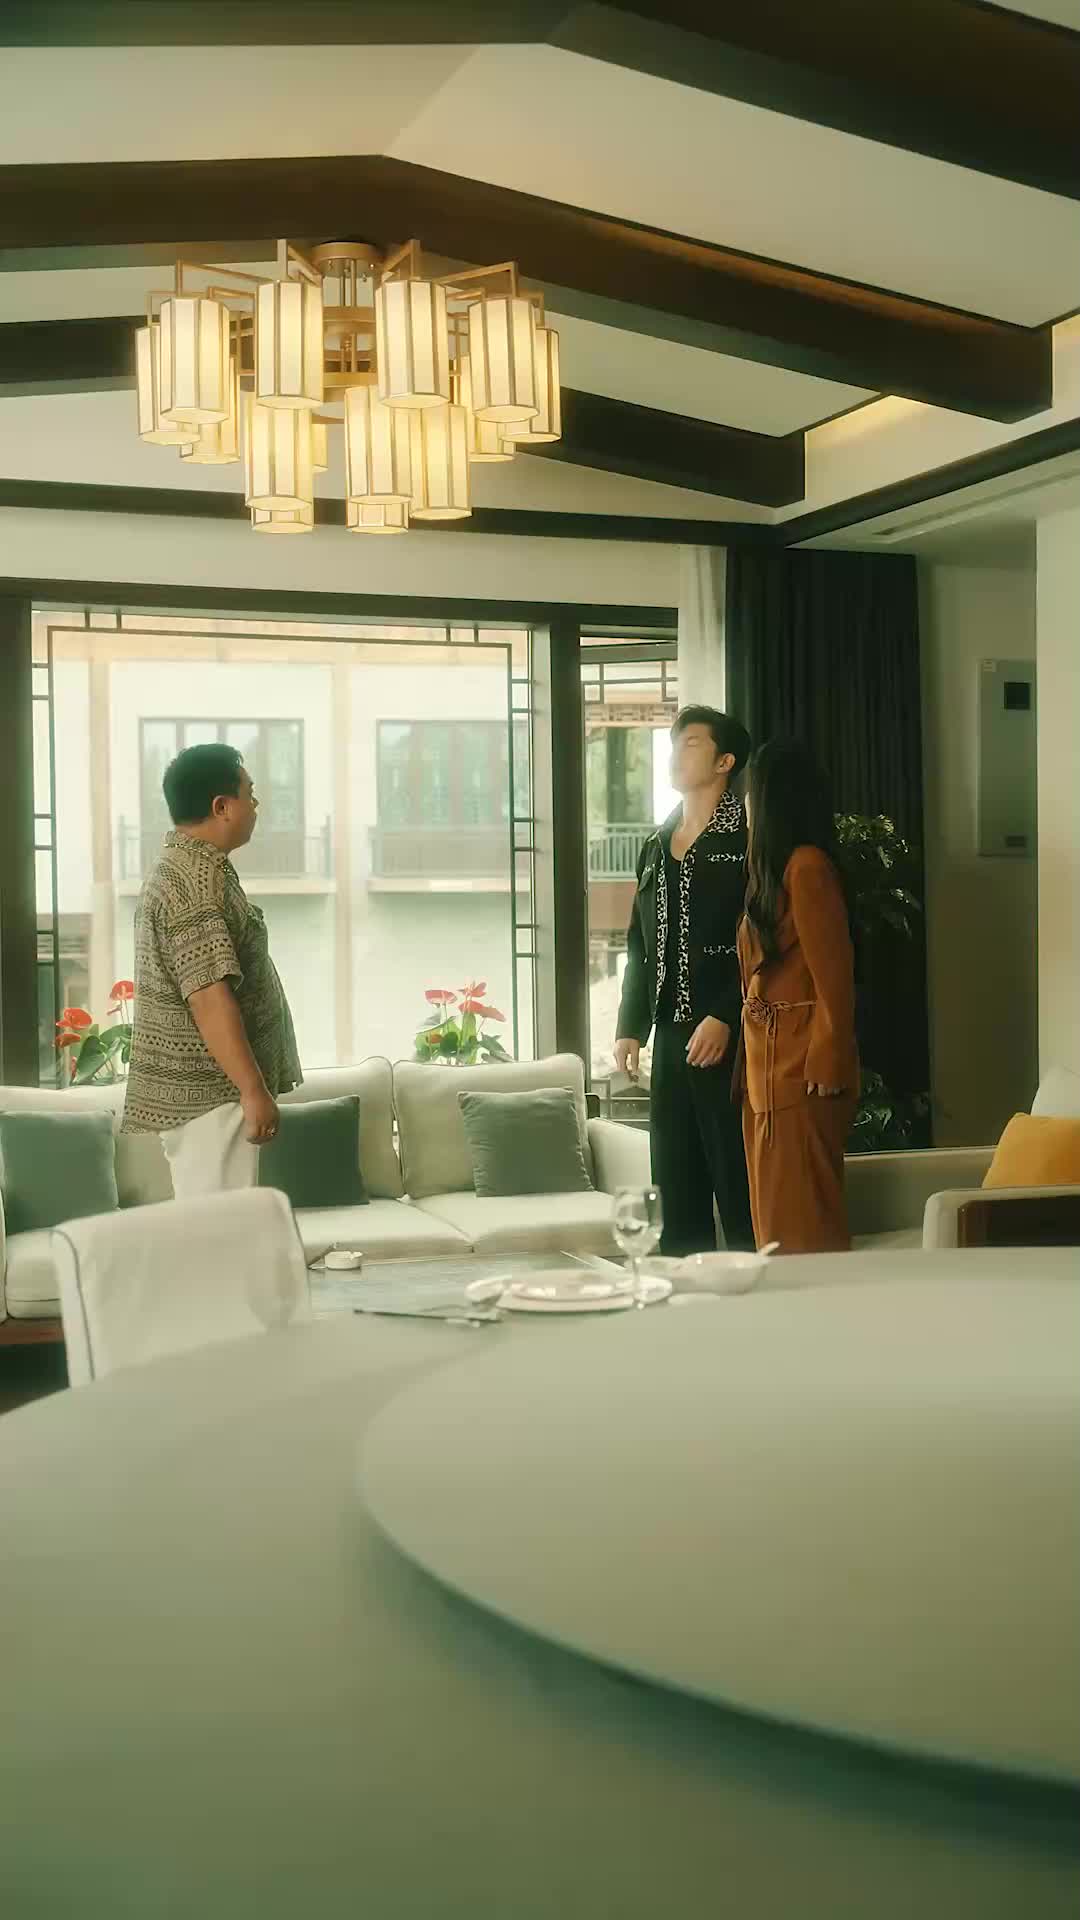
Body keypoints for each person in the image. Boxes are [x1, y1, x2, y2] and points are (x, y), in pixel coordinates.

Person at [121, 742, 302, 1197]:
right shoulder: (192, 882)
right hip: (212, 1097)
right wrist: (252, 1089)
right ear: (222, 806)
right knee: (219, 1230)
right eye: (250, 794)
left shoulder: (194, 870)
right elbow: (207, 998)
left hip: (212, 1097)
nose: (256, 805)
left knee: (219, 1228)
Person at [614, 706, 755, 1256]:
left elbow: (767, 940)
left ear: (725, 761)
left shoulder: (748, 841)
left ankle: (759, 1294)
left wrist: (725, 1014)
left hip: (732, 1037)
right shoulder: (655, 844)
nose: (676, 754)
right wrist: (631, 1026)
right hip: (670, 1038)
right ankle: (682, 1297)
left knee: (738, 1185)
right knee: (674, 1187)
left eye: (691, 743)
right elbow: (639, 943)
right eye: (674, 743)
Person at [737, 738, 859, 1255]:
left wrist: (830, 1056)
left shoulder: (807, 867)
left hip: (801, 1070)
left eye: (750, 792)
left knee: (803, 1227)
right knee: (774, 1228)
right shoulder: (774, 871)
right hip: (767, 1069)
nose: (744, 802)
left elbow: (836, 975)